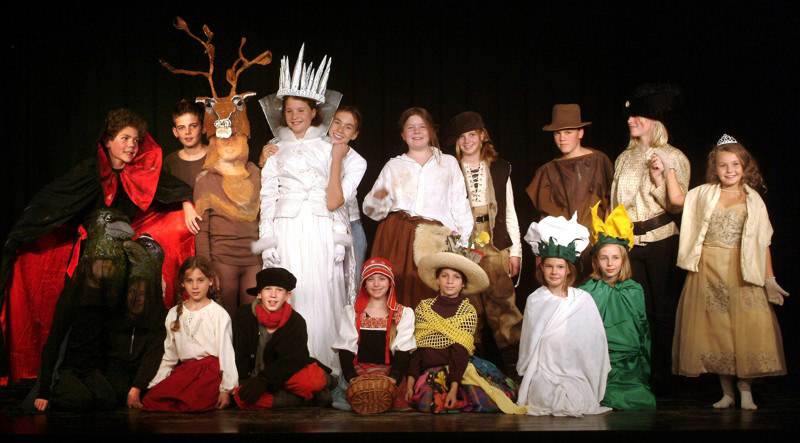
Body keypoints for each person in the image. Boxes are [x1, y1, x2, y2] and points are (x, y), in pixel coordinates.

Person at [1, 108, 195, 381]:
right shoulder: (90, 171)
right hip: (93, 254)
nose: (131, 146)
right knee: (83, 305)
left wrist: (186, 204)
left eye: (136, 140)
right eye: (125, 138)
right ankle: (60, 375)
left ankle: (125, 374)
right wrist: (21, 236)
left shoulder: (139, 172)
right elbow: (53, 200)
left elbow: (175, 189)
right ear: (107, 140)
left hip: (123, 248)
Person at [254, 45, 356, 374]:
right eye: (289, 111)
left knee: (322, 291)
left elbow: (339, 197)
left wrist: (340, 237)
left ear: (314, 112)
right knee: (293, 291)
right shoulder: (275, 149)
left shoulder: (331, 148)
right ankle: (290, 370)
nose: (295, 116)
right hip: (287, 229)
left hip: (320, 228)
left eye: (301, 110)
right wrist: (267, 240)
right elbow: (268, 195)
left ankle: (326, 370)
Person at [672, 135, 788, 410]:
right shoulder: (704, 193)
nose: (729, 170)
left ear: (744, 166)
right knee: (716, 330)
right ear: (715, 167)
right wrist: (666, 169)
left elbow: (763, 242)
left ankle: (745, 388)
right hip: (709, 270)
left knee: (744, 329)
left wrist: (769, 279)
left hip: (741, 268)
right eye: (723, 165)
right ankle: (726, 392)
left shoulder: (753, 199)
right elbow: (678, 199)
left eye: (735, 164)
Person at [609, 84, 689, 384]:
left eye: (637, 117)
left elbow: (677, 205)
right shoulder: (623, 158)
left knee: (662, 309)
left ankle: (664, 372)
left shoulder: (674, 156)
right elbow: (615, 203)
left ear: (653, 121)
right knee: (636, 308)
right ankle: (639, 370)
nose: (630, 121)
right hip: (630, 241)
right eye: (629, 117)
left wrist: (658, 178)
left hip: (661, 240)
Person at [363, 107, 473, 309]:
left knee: (429, 291)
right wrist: (378, 199)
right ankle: (397, 338)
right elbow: (374, 212)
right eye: (410, 127)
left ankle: (427, 339)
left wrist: (464, 244)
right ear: (403, 135)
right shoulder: (394, 166)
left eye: (422, 126)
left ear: (431, 131)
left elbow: (460, 205)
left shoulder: (447, 163)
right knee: (396, 290)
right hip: (397, 237)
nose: (416, 131)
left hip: (435, 238)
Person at [259, 105, 368, 300]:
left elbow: (334, 202)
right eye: (337, 123)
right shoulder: (319, 147)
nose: (340, 130)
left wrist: (336, 158)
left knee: (347, 288)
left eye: (348, 127)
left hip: (348, 223)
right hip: (318, 221)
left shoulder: (355, 161)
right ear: (328, 122)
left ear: (355, 134)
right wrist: (265, 159)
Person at [32, 208, 134, 412]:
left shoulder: (110, 295)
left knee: (108, 399)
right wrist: (43, 391)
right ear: (92, 261)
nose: (105, 267)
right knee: (80, 400)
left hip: (90, 369)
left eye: (110, 263)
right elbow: (53, 342)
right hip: (67, 368)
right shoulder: (74, 294)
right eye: (101, 262)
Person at [446, 111, 523, 376]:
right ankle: (470, 373)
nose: (467, 141)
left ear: (482, 135)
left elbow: (509, 211)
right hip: (463, 241)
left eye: (472, 134)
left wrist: (515, 252)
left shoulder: (499, 168)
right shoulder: (450, 167)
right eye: (462, 136)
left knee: (503, 305)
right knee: (468, 307)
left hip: (494, 240)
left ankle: (517, 372)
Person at [405, 247, 526, 414]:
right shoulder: (424, 309)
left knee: (489, 398)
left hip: (459, 369)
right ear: (437, 280)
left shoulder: (466, 312)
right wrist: (410, 382)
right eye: (444, 276)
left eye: (456, 277)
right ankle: (456, 402)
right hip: (431, 371)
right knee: (426, 402)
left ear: (463, 284)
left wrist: (454, 388)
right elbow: (418, 350)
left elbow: (459, 352)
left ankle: (460, 401)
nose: (449, 282)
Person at [517, 214, 611, 417]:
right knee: (544, 395)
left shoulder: (582, 299)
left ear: (569, 270)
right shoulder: (535, 299)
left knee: (578, 397)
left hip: (574, 367)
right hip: (545, 368)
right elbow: (529, 341)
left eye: (560, 267)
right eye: (549, 266)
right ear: (541, 268)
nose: (554, 272)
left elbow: (594, 341)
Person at [578, 203, 656, 410]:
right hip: (600, 362)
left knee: (642, 400)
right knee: (604, 395)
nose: (610, 264)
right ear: (596, 262)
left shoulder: (634, 289)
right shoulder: (587, 291)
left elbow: (643, 329)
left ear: (623, 261)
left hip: (630, 363)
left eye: (615, 258)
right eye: (604, 258)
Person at [526, 104, 614, 280]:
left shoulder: (599, 161)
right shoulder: (548, 170)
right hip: (562, 252)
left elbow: (611, 203)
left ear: (580, 133)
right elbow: (545, 216)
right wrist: (543, 250)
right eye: (557, 133)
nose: (562, 138)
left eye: (568, 132)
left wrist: (607, 243)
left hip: (595, 246)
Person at [142, 256, 237, 412]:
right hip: (186, 371)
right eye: (189, 281)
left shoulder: (218, 314)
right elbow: (170, 354)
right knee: (152, 400)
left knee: (193, 403)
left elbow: (226, 353)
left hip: (210, 372)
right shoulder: (174, 313)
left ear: (210, 281)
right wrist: (156, 382)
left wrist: (226, 389)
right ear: (182, 283)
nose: (195, 286)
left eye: (200, 280)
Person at [232, 267, 335, 409]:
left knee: (311, 381)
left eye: (279, 290)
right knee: (241, 398)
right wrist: (246, 382)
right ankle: (307, 401)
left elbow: (293, 361)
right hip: (255, 376)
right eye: (268, 289)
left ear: (287, 296)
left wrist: (265, 381)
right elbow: (239, 353)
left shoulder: (296, 322)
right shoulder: (242, 316)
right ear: (259, 294)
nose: (273, 295)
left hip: (284, 375)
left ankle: (327, 382)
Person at [193, 108, 262, 315]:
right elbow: (201, 229)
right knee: (225, 317)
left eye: (235, 136)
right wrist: (207, 269)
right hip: (222, 260)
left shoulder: (256, 173)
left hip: (254, 260)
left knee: (252, 317)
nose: (229, 143)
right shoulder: (205, 180)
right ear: (214, 143)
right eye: (223, 139)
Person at [331, 258, 416, 412]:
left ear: (390, 282)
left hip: (389, 374)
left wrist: (394, 379)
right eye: (371, 279)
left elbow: (403, 350)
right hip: (358, 372)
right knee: (355, 399)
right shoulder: (353, 312)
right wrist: (352, 379)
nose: (376, 284)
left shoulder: (403, 313)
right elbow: (346, 348)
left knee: (387, 399)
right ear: (364, 283)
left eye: (382, 279)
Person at [105, 235, 168, 409]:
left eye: (141, 294)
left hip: (144, 375)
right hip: (116, 370)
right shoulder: (116, 312)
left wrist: (137, 387)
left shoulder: (157, 315)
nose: (137, 299)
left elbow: (153, 356)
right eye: (133, 293)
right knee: (110, 396)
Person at [163, 99, 209, 190]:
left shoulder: (216, 155)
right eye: (181, 128)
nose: (187, 132)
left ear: (203, 128)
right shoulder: (170, 162)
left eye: (193, 126)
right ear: (175, 132)